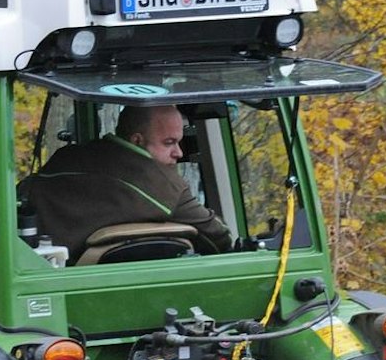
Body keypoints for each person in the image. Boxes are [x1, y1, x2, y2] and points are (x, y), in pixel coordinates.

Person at [20, 104, 232, 262]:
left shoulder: (59, 164)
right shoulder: (165, 187)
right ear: (137, 140)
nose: (179, 152)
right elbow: (220, 238)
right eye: (169, 143)